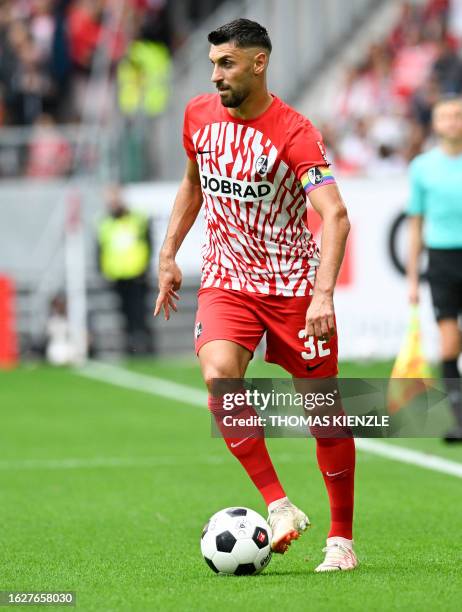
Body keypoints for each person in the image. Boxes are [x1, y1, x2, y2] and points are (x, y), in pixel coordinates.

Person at [154, 19, 356, 572]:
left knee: (325, 413)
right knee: (220, 373)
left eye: (227, 64)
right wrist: (170, 252)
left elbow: (335, 215)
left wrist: (322, 296)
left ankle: (342, 540)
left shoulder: (293, 132)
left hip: (292, 285)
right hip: (227, 281)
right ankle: (279, 504)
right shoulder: (198, 115)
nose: (216, 75)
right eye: (214, 64)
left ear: (259, 64)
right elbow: (195, 182)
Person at [407, 95, 462, 442]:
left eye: (458, 115)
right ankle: (459, 419)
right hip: (441, 261)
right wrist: (413, 278)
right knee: (448, 344)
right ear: (436, 123)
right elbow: (416, 226)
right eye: (446, 116)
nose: (453, 122)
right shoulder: (422, 167)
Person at [98, 184, 153, 355]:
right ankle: (131, 349)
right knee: (126, 316)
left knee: (140, 314)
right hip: (118, 277)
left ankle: (146, 349)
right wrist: (104, 272)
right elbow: (101, 249)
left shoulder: (137, 219)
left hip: (137, 275)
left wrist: (145, 268)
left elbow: (148, 244)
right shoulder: (105, 223)